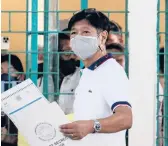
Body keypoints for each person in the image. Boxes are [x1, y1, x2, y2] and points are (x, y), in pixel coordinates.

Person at [59, 8, 132, 146]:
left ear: (103, 37)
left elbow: (125, 118)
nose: (78, 37)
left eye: (86, 32)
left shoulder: (110, 71)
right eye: (74, 32)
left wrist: (91, 126)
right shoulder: (88, 72)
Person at [1, 54, 25, 146]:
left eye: (10, 71)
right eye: (1, 70)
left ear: (21, 76)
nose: (4, 75)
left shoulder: (26, 96)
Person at [57, 29, 81, 115]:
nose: (72, 56)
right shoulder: (42, 77)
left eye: (74, 52)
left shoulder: (83, 76)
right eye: (67, 52)